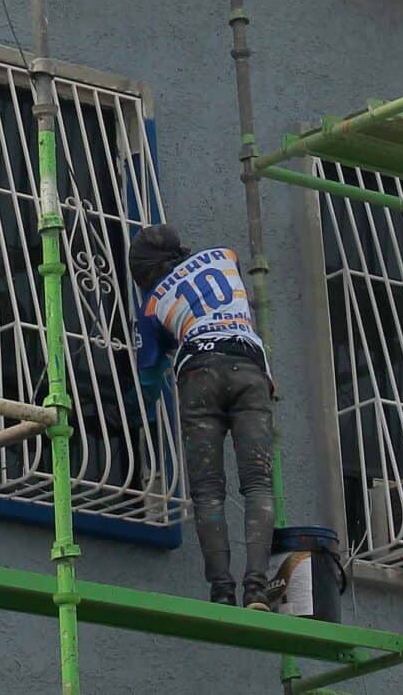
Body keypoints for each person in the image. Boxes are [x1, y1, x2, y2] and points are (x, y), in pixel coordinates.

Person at [132, 223, 279, 609]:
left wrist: (138, 414)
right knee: (259, 484)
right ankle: (257, 588)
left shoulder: (152, 303)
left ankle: (222, 590)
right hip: (250, 371)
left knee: (209, 492)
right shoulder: (225, 257)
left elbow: (149, 374)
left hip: (198, 374)